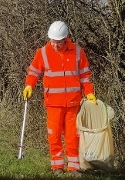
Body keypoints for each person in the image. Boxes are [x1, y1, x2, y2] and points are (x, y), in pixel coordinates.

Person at [22, 21, 97, 177]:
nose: (55, 45)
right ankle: (57, 167)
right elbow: (33, 72)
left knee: (72, 136)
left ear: (65, 39)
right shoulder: (43, 52)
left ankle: (74, 167)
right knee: (54, 135)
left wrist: (89, 93)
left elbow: (85, 76)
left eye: (59, 42)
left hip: (73, 103)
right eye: (53, 41)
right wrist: (29, 86)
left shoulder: (77, 52)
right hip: (53, 103)